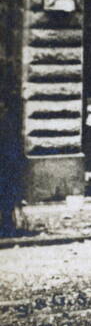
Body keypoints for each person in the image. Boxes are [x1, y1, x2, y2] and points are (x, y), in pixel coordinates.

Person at [0, 90, 24, 236]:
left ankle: (8, 226)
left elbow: (13, 146)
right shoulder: (8, 123)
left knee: (7, 198)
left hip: (7, 165)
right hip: (7, 164)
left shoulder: (7, 124)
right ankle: (7, 226)